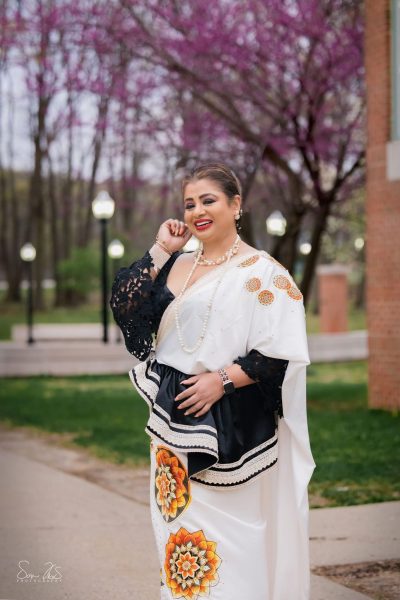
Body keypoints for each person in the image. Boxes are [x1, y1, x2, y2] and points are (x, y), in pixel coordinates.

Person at [110, 162, 316, 600]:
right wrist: (161, 249)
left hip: (234, 430)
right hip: (171, 431)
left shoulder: (264, 273)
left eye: (209, 201)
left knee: (233, 545)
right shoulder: (177, 264)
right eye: (189, 204)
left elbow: (281, 353)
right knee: (179, 541)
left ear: (236, 205)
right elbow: (127, 309)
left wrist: (221, 380)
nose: (197, 212)